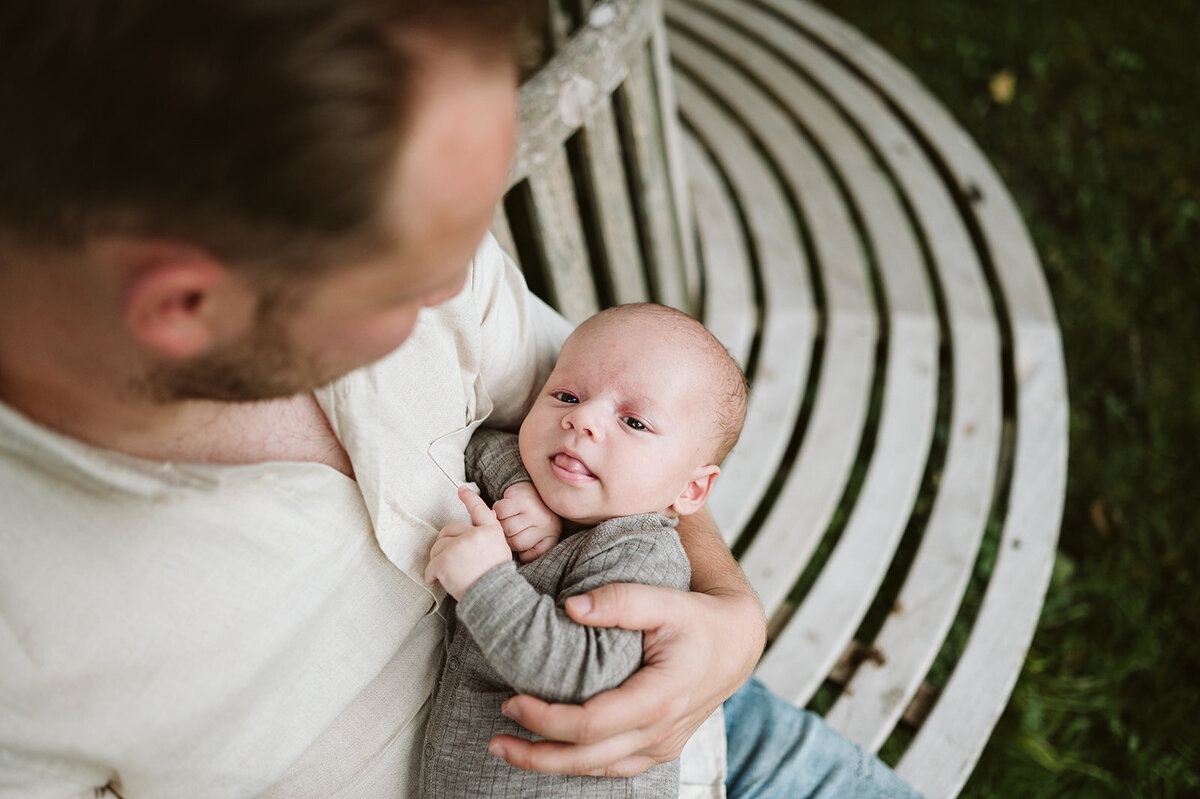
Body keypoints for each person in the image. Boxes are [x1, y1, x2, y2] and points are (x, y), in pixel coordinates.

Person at [0, 1, 920, 797]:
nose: (465, 290)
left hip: (727, 735)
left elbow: (646, 445)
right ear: (186, 306)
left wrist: (730, 617)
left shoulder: (368, 185)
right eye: (413, 284)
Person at [421, 303, 747, 798]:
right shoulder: (551, 483)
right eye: (568, 394)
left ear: (692, 491)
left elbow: (586, 675)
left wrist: (485, 584)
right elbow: (483, 443)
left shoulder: (640, 554)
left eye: (635, 423)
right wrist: (519, 489)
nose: (583, 418)